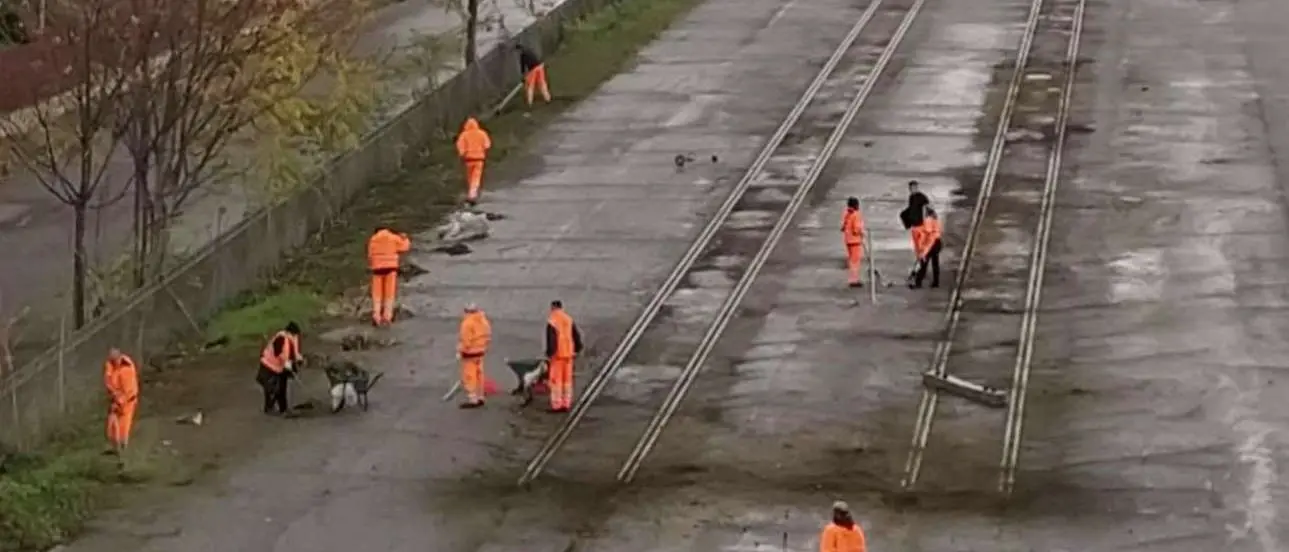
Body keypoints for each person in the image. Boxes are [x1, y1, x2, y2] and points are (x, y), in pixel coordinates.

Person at [544, 300, 584, 413]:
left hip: (558, 355)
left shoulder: (552, 320)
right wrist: (577, 349)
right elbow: (576, 335)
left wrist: (549, 353)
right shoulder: (568, 319)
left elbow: (551, 339)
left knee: (556, 381)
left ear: (553, 307)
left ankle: (557, 405)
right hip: (568, 355)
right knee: (567, 381)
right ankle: (566, 403)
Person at [367, 226, 411, 326]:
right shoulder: (393, 237)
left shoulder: (373, 239)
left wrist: (372, 264)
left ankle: (376, 315)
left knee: (377, 294)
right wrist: (405, 238)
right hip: (391, 268)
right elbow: (405, 247)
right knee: (389, 293)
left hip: (377, 269)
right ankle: (387, 317)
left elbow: (370, 255)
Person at [257, 322, 303, 415]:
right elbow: (278, 353)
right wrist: (286, 363)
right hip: (269, 366)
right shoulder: (280, 338)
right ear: (289, 332)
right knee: (272, 388)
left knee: (282, 388)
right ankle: (269, 408)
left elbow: (294, 352)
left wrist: (296, 361)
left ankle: (283, 409)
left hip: (280, 368)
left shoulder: (293, 338)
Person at [457, 303, 492, 408]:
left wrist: (460, 351)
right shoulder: (483, 321)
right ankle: (480, 396)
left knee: (469, 375)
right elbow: (488, 336)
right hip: (480, 352)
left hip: (469, 353)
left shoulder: (467, 323)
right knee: (479, 374)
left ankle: (473, 399)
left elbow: (466, 341)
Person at [104, 348, 139, 454]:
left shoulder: (127, 370)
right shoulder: (110, 366)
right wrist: (113, 395)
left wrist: (119, 402)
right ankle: (115, 446)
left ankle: (123, 448)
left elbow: (128, 390)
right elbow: (108, 381)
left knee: (124, 425)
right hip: (116, 399)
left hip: (128, 401)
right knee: (112, 425)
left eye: (115, 359)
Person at [455, 117, 492, 204]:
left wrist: (462, 154)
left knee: (469, 176)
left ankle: (470, 192)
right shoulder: (482, 134)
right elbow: (487, 145)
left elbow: (460, 147)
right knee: (476, 177)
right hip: (479, 159)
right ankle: (473, 193)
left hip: (468, 159)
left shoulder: (464, 135)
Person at [911, 207, 942, 289]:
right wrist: (919, 253)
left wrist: (923, 252)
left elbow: (929, 239)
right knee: (934, 262)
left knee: (924, 263)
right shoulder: (933, 220)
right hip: (935, 242)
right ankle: (935, 282)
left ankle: (919, 282)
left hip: (933, 242)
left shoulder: (924, 224)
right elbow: (917, 241)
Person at [840, 197, 865, 288]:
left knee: (851, 260)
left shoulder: (847, 214)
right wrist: (862, 233)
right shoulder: (856, 215)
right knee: (855, 261)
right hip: (855, 240)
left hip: (848, 240)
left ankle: (853, 278)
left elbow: (843, 227)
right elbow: (856, 229)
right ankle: (854, 280)